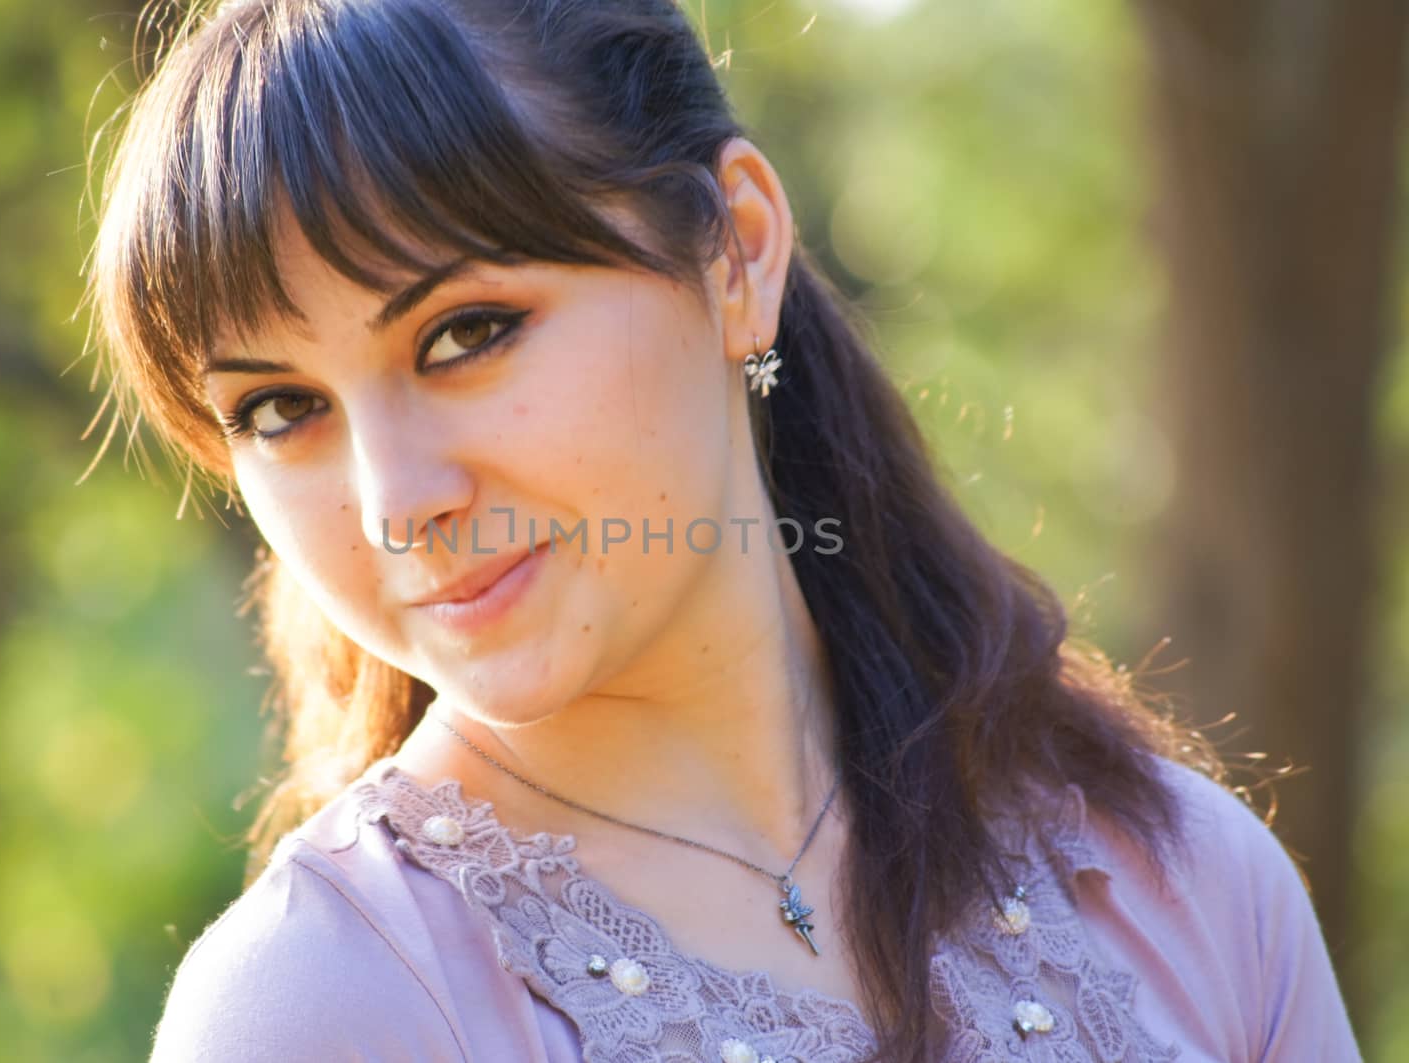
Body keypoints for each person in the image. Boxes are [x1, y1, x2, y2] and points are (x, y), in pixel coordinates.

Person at [84, 0, 1364, 1059]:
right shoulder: (326, 1006)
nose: (392, 498)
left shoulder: (1177, 877)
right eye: (279, 409)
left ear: (736, 251)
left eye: (464, 333)